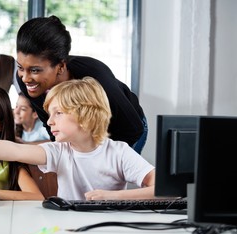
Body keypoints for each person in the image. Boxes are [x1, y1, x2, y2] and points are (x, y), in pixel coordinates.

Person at [0, 77, 155, 201]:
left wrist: (111, 197)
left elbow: (165, 189)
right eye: (49, 115)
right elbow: (12, 150)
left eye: (58, 114)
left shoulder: (120, 152)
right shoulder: (59, 151)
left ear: (85, 115)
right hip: (66, 230)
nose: (49, 122)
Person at [15, 15, 148, 154]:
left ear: (60, 67)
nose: (25, 78)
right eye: (20, 67)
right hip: (84, 134)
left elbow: (132, 129)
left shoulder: (96, 76)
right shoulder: (30, 83)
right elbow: (52, 127)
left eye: (35, 70)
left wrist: (100, 160)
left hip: (125, 129)